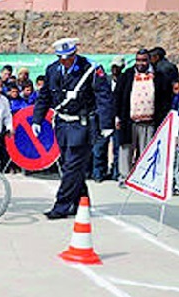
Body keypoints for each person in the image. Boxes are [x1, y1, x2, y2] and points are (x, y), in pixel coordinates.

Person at [33, 37, 115, 220]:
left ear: (75, 53)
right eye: (61, 57)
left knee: (72, 166)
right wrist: (37, 119)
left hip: (82, 125)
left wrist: (107, 124)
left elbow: (104, 97)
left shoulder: (91, 70)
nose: (65, 61)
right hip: (62, 124)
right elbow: (44, 96)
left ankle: (61, 206)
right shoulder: (52, 70)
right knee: (68, 165)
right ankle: (81, 202)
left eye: (68, 57)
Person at [115, 49, 173, 187]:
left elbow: (166, 100)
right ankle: (125, 178)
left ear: (149, 60)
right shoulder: (127, 76)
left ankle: (144, 179)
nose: (141, 63)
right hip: (129, 121)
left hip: (150, 122)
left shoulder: (159, 77)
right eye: (138, 60)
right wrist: (117, 117)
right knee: (126, 150)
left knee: (147, 152)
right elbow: (118, 97)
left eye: (144, 60)